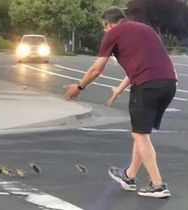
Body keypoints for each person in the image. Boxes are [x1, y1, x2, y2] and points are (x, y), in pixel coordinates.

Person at [64, 6, 177, 198]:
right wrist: (119, 89)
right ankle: (129, 175)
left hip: (147, 86)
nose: (104, 30)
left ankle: (157, 185)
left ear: (108, 23)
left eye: (104, 26)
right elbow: (145, 64)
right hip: (169, 83)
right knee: (141, 133)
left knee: (140, 136)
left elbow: (97, 68)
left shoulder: (113, 33)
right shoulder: (144, 29)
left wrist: (79, 87)